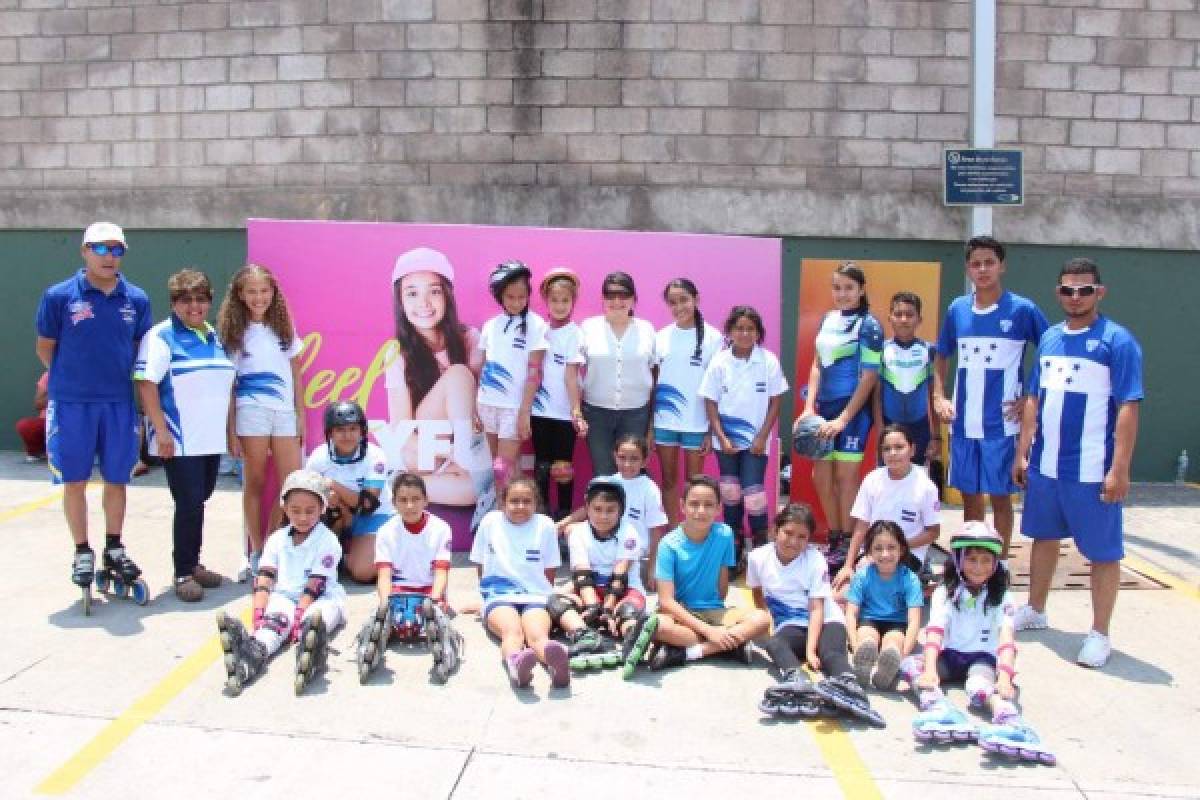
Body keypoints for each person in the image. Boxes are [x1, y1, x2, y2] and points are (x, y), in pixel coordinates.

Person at [1012, 257, 1143, 669]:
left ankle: (1100, 634)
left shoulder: (1118, 342)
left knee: (1103, 553)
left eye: (1084, 289)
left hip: (1091, 471)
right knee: (1043, 537)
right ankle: (1035, 610)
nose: (1076, 296)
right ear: (1058, 293)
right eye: (1068, 289)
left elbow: (1128, 408)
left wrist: (1119, 469)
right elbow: (1034, 398)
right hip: (1045, 467)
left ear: (1099, 293)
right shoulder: (1049, 338)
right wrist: (1023, 450)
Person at [35, 222, 152, 596]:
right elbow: (45, 347)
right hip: (71, 404)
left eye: (117, 250)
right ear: (84, 251)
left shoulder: (137, 299)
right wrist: (72, 378)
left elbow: (138, 350)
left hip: (118, 403)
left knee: (118, 478)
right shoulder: (58, 296)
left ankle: (114, 546)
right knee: (75, 479)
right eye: (101, 249)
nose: (109, 257)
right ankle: (82, 550)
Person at [932, 236, 1049, 556]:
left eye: (989, 263)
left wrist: (1030, 398)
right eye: (975, 264)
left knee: (1000, 496)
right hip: (964, 422)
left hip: (1002, 424)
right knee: (970, 496)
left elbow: (1052, 353)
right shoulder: (957, 308)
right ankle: (972, 561)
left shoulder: (1023, 309)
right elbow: (941, 355)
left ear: (1002, 266)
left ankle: (998, 564)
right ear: (968, 268)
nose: (982, 269)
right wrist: (939, 397)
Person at [903, 522, 1055, 765]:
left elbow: (1006, 640)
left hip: (982, 657)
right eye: (972, 560)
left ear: (995, 563)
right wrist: (930, 670)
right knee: (911, 666)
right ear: (959, 559)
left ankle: (1009, 719)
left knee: (978, 685)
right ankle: (938, 707)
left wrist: (1004, 678)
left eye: (986, 560)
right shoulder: (946, 591)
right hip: (950, 655)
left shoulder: (1001, 596)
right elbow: (935, 632)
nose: (979, 567)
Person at [135, 269, 236, 601]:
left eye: (201, 299)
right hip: (178, 439)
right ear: (173, 303)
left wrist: (230, 432)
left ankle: (194, 564)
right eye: (185, 300)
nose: (194, 306)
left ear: (209, 301)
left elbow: (228, 387)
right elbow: (146, 385)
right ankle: (181, 573)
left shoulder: (215, 335)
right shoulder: (161, 336)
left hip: (209, 439)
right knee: (189, 502)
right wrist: (160, 431)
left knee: (200, 500)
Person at [623, 475, 771, 677]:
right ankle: (730, 644)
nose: (700, 511)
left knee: (761, 619)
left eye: (708, 505)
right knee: (658, 626)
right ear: (682, 506)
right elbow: (666, 601)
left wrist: (713, 625)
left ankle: (691, 651)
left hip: (714, 611)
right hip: (678, 613)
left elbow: (722, 590)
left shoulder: (725, 534)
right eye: (694, 504)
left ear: (719, 508)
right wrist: (709, 631)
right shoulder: (668, 544)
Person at [215, 470, 347, 696]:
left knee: (315, 620)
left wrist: (299, 616)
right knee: (273, 625)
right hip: (284, 596)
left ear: (322, 509)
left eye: (310, 511)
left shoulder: (328, 540)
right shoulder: (277, 539)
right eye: (295, 511)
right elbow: (265, 576)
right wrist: (259, 610)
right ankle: (251, 655)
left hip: (321, 597)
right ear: (284, 507)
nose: (303, 517)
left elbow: (317, 583)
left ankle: (311, 650)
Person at [750, 503, 882, 726]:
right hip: (793, 624)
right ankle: (796, 680)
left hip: (825, 618)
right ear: (775, 530)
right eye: (788, 533)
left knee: (830, 653)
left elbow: (816, 608)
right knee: (774, 644)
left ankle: (847, 684)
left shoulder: (814, 560)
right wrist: (767, 617)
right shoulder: (757, 558)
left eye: (802, 537)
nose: (793, 541)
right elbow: (756, 591)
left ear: (809, 539)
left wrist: (811, 651)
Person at [217, 264, 306, 582]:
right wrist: (230, 428)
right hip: (250, 413)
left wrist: (300, 415)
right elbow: (228, 384)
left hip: (284, 414)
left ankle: (270, 546)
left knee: (292, 485)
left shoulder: (284, 327)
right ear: (240, 294)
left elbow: (296, 373)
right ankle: (255, 553)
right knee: (253, 483)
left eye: (264, 291)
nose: (259, 297)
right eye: (252, 291)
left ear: (273, 292)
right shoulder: (234, 332)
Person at [797, 262, 883, 568]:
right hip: (825, 410)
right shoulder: (827, 320)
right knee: (820, 476)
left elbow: (870, 376)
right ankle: (835, 537)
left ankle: (849, 543)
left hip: (854, 412)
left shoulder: (869, 325)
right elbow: (817, 365)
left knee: (846, 479)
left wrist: (845, 418)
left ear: (861, 290)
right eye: (837, 288)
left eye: (849, 288)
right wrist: (809, 409)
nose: (842, 294)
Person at [385, 247, 485, 508]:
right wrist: (451, 452)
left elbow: (480, 409)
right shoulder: (397, 353)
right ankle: (409, 485)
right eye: (412, 293)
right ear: (400, 301)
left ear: (448, 296)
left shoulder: (469, 339)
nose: (424, 302)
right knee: (458, 374)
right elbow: (401, 429)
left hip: (459, 462)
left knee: (475, 490)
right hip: (424, 453)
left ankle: (403, 492)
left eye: (434, 291)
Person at [699, 305, 788, 570]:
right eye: (739, 328)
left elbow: (775, 402)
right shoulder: (720, 361)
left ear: (758, 332)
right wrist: (722, 437)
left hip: (756, 443)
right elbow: (710, 402)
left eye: (750, 329)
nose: (745, 333)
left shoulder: (768, 361)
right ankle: (733, 546)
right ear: (730, 332)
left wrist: (762, 437)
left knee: (753, 494)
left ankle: (761, 546)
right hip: (725, 441)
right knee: (730, 493)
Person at [354, 472, 463, 683]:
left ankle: (445, 650)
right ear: (394, 502)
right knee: (380, 618)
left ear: (426, 500)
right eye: (403, 500)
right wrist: (385, 603)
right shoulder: (386, 531)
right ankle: (368, 649)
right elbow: (384, 575)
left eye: (415, 499)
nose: (410, 505)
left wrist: (435, 597)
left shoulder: (441, 529)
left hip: (428, 592)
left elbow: (441, 571)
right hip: (398, 592)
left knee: (437, 618)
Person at [469, 477, 570, 689]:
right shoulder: (489, 522)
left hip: (536, 597)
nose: (521, 507)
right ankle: (517, 664)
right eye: (514, 501)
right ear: (503, 503)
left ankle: (555, 663)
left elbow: (549, 570)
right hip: (499, 596)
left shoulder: (545, 525)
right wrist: (485, 597)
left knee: (537, 636)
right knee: (512, 632)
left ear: (536, 503)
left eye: (527, 501)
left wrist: (544, 594)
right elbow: (479, 564)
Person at [547, 478, 652, 671]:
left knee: (626, 611)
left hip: (624, 590)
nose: (603, 516)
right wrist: (593, 606)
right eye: (597, 509)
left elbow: (620, 576)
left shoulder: (629, 532)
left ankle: (633, 637)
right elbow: (582, 576)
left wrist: (608, 608)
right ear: (587, 508)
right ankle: (584, 635)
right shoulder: (577, 532)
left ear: (621, 510)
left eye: (611, 510)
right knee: (554, 601)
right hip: (591, 591)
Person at [833, 424, 941, 591]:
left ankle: (918, 576)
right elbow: (861, 525)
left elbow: (933, 532)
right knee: (841, 593)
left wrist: (898, 547)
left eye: (899, 447)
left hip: (908, 554)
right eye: (887, 449)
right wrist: (848, 566)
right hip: (873, 554)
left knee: (881, 593)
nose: (893, 453)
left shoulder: (926, 486)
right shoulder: (872, 479)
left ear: (912, 450)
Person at [476, 260, 549, 498]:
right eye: (510, 297)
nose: (517, 302)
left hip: (514, 408)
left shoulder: (537, 325)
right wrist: (474, 407)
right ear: (499, 296)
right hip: (487, 404)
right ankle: (511, 518)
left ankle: (506, 515)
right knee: (507, 469)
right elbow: (484, 368)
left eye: (522, 297)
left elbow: (534, 372)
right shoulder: (490, 326)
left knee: (502, 469)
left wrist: (524, 412)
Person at [555, 434, 668, 587]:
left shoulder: (649, 489)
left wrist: (652, 569)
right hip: (606, 541)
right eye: (622, 457)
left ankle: (609, 578)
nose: (627, 464)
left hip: (631, 548)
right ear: (615, 457)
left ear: (645, 461)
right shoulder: (611, 481)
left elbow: (656, 532)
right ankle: (585, 577)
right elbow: (589, 507)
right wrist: (561, 524)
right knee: (571, 530)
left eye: (634, 459)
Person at [653, 278, 722, 526]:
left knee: (696, 485)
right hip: (665, 423)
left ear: (696, 299)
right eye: (673, 302)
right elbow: (653, 383)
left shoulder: (714, 339)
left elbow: (718, 390)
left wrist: (711, 431)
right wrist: (651, 427)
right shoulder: (660, 337)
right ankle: (674, 531)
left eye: (684, 300)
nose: (678, 306)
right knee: (669, 481)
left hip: (698, 424)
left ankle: (696, 531)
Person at [578, 271, 658, 478]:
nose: (617, 301)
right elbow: (572, 371)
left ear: (634, 298)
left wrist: (651, 423)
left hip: (635, 414)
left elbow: (655, 376)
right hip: (596, 414)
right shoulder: (589, 328)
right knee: (603, 471)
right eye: (610, 295)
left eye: (623, 295)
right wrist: (576, 412)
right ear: (603, 298)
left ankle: (631, 511)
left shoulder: (647, 330)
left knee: (631, 472)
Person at [304, 401, 392, 583]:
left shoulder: (375, 456)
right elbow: (306, 498)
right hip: (337, 515)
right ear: (330, 433)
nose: (347, 435)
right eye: (340, 430)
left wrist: (332, 484)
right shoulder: (318, 457)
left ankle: (339, 559)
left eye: (353, 429)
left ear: (362, 431)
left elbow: (368, 505)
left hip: (374, 517)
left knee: (362, 572)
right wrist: (326, 496)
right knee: (317, 500)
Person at [531, 268, 588, 520]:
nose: (560, 305)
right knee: (541, 468)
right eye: (554, 300)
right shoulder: (538, 330)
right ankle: (542, 521)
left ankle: (564, 523)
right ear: (546, 300)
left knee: (563, 469)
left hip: (565, 415)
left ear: (573, 301)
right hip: (538, 412)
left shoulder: (575, 333)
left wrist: (576, 411)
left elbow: (570, 375)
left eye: (565, 300)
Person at [845, 520, 924, 691]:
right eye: (878, 548)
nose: (885, 554)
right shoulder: (862, 575)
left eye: (891, 547)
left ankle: (887, 670)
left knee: (893, 642)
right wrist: (854, 644)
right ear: (869, 552)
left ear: (901, 549)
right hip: (869, 620)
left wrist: (903, 654)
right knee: (867, 637)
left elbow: (914, 621)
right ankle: (863, 664)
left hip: (897, 624)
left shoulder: (909, 579)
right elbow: (851, 613)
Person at [874, 291, 939, 467]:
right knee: (887, 480)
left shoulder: (930, 351)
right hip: (889, 424)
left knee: (917, 481)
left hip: (920, 427)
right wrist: (881, 433)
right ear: (890, 318)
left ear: (919, 319)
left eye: (910, 315)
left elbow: (935, 396)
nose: (904, 319)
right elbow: (876, 397)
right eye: (898, 314)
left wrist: (936, 437)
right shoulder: (881, 350)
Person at [15, 371, 48, 461]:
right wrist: (60, 394)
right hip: (48, 422)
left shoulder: (84, 375)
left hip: (71, 423)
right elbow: (38, 404)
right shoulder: (49, 374)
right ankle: (39, 452)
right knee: (25, 426)